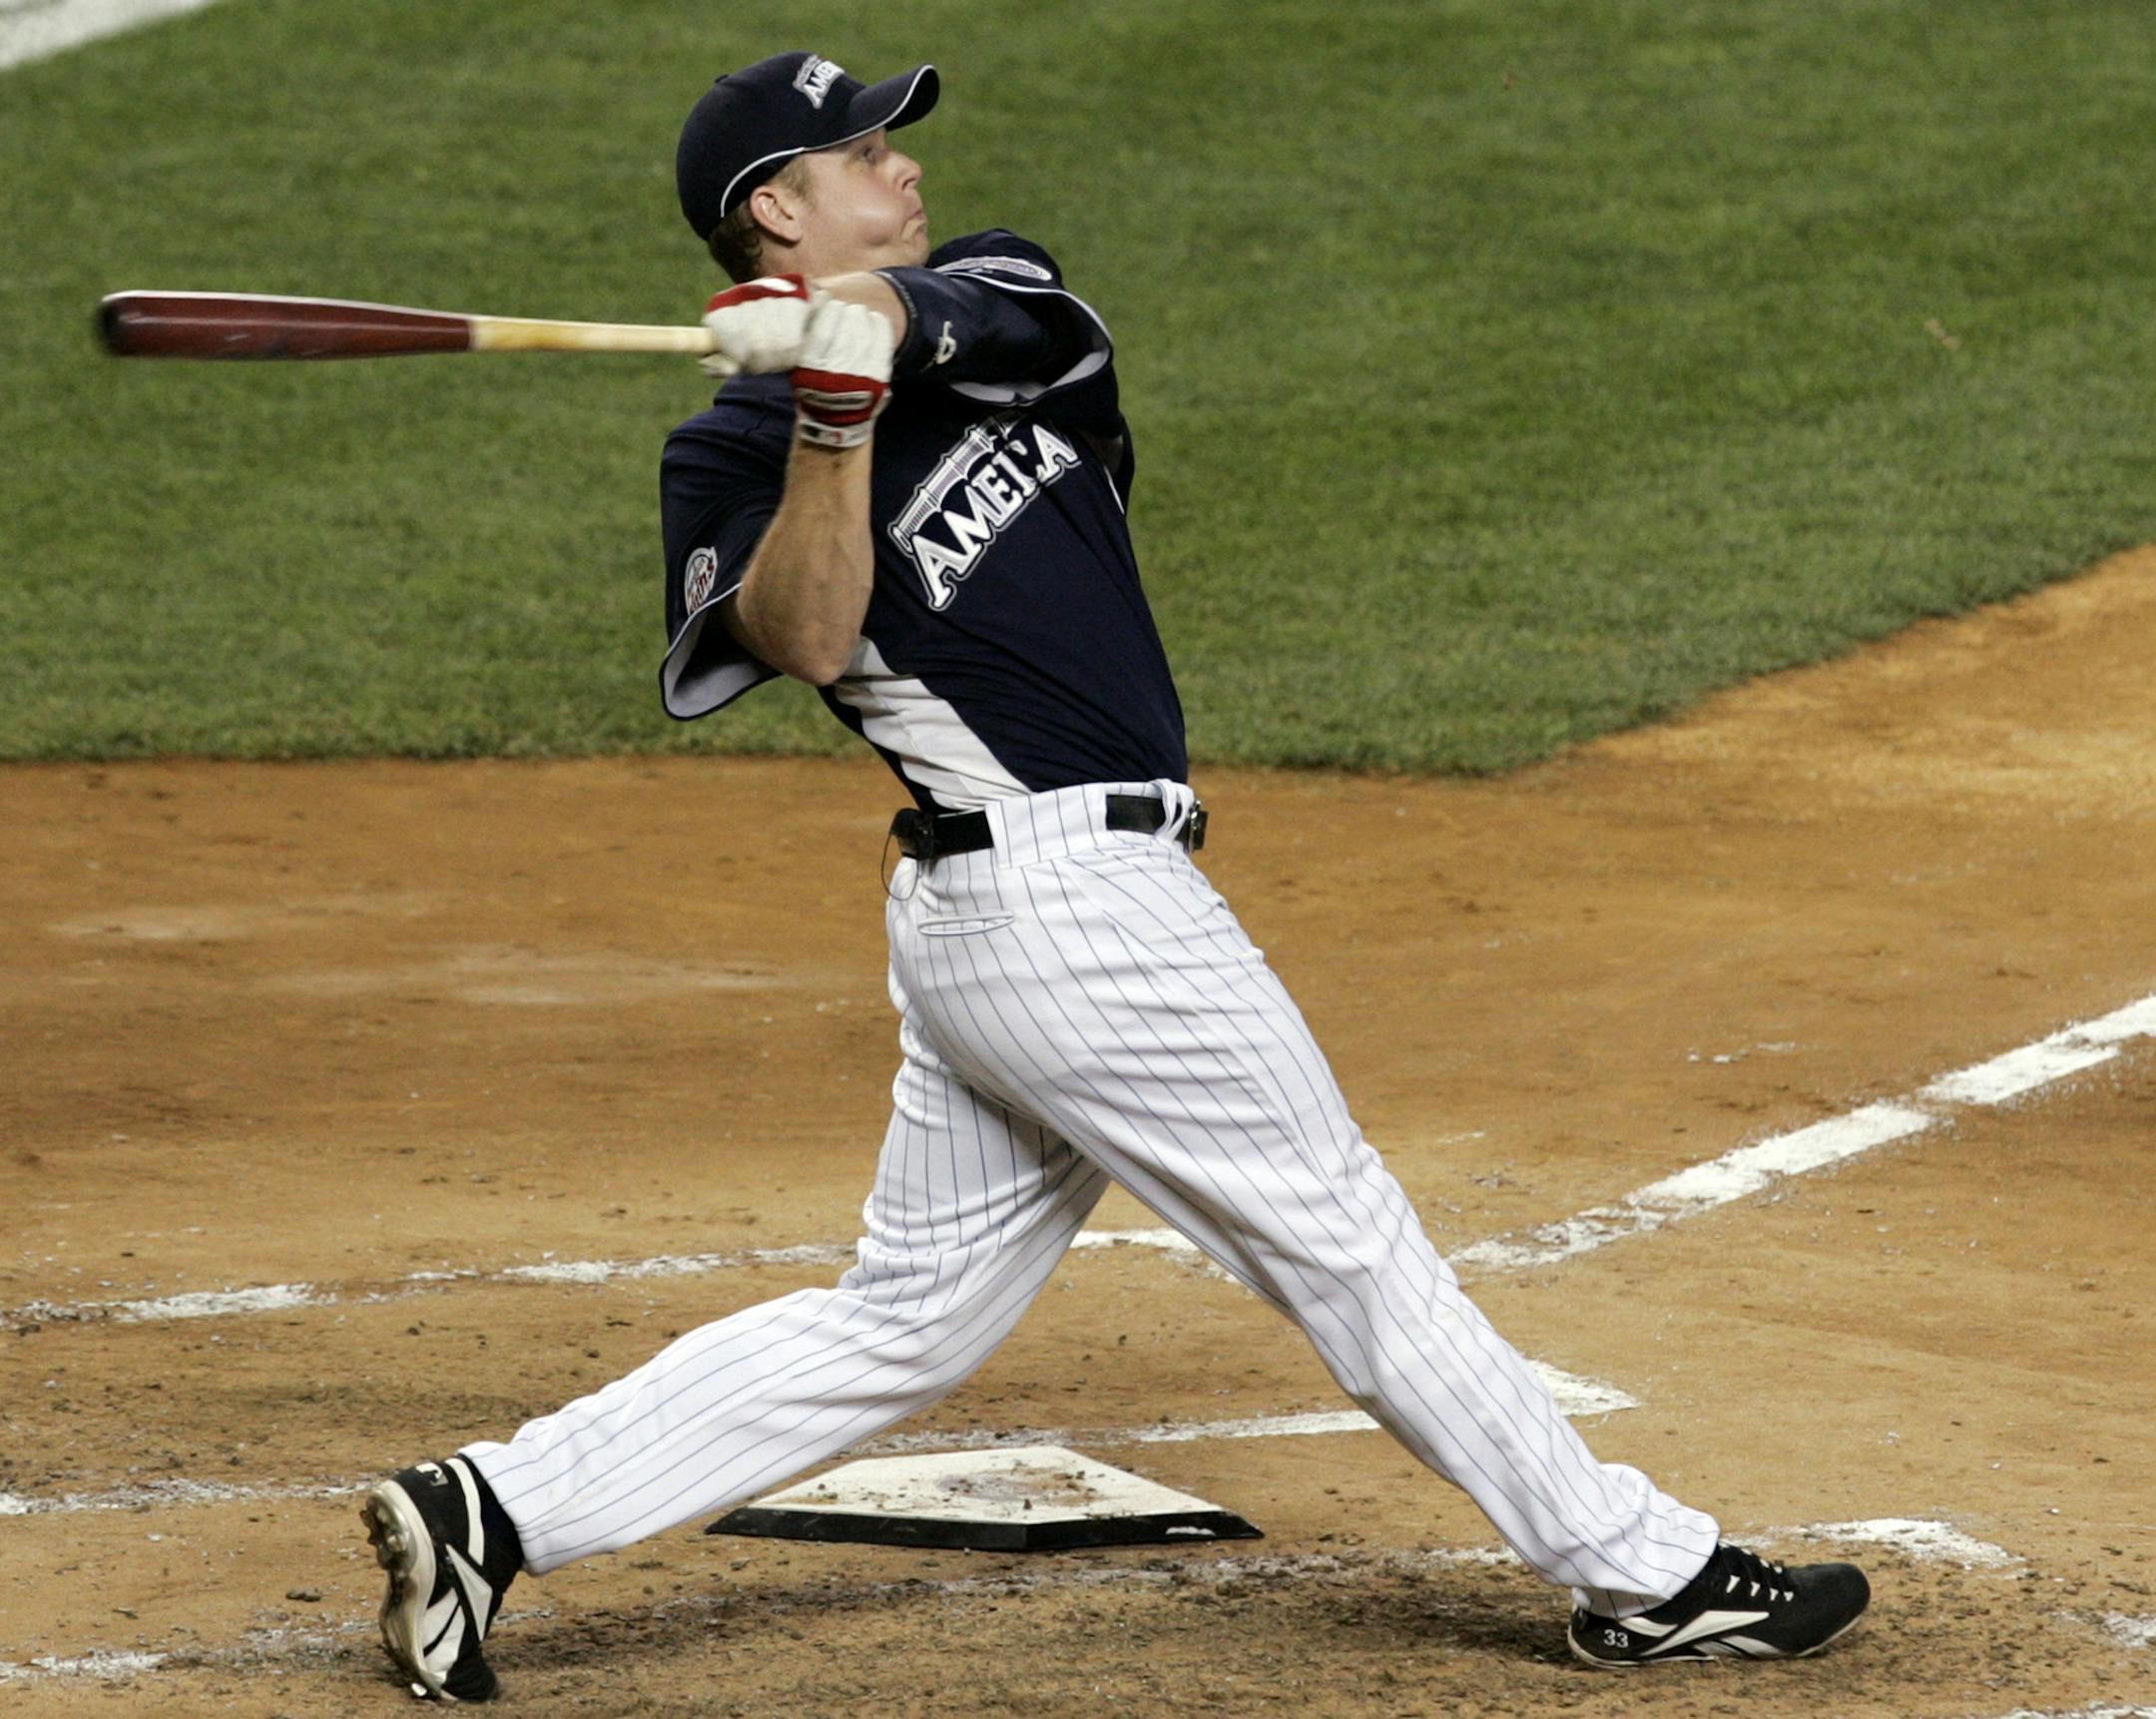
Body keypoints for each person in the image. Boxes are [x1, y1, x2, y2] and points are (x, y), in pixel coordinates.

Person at [360, 50, 1871, 1701]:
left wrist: (869, 313)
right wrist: (830, 423)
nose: (906, 164)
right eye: (864, 149)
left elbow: (1012, 314)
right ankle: (1644, 1572)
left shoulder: (992, 295)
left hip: (1041, 922)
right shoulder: (724, 458)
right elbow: (802, 634)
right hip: (1055, 912)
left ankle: (493, 1510)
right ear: (771, 206)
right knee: (1346, 1239)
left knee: (908, 1320)